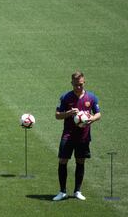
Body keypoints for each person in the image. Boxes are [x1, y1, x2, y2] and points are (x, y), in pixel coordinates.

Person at [53, 71, 101, 201]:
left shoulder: (91, 97)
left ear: (84, 82)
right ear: (71, 84)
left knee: (80, 161)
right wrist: (68, 113)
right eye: (75, 85)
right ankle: (62, 191)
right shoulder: (65, 97)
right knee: (63, 160)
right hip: (68, 135)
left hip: (83, 137)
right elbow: (57, 115)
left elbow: (98, 114)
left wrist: (92, 118)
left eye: (80, 84)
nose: (78, 87)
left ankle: (77, 191)